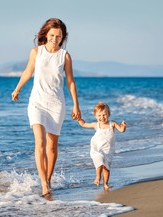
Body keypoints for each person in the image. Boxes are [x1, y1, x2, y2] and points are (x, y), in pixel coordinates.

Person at [11, 18, 81, 197]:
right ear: (46, 34)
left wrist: (76, 105)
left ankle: (49, 179)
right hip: (37, 102)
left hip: (57, 104)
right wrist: (17, 88)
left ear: (62, 37)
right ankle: (43, 183)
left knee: (52, 147)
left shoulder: (65, 56)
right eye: (52, 35)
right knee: (40, 142)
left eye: (58, 36)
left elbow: (71, 82)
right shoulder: (36, 52)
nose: (55, 39)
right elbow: (28, 71)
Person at [78, 102, 126, 190]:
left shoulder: (112, 123)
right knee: (99, 160)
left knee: (106, 168)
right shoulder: (97, 125)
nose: (102, 117)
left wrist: (123, 127)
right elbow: (84, 124)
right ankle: (97, 177)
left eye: (104, 115)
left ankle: (105, 184)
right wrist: (79, 118)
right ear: (95, 116)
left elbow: (121, 130)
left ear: (108, 114)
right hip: (98, 148)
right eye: (99, 115)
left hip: (108, 149)